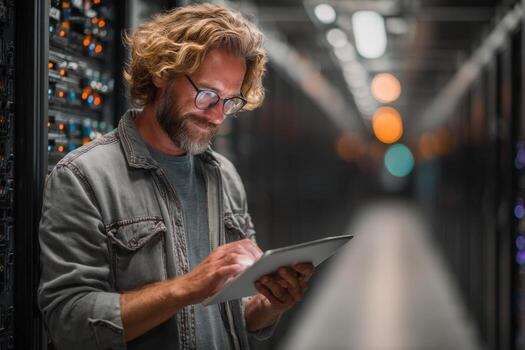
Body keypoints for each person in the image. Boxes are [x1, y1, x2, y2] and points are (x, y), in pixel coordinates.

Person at [37, 3, 314, 350]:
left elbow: (236, 315)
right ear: (162, 72)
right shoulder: (84, 177)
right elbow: (69, 322)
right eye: (208, 95)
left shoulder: (224, 177)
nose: (217, 116)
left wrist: (270, 303)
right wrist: (189, 286)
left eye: (230, 103)